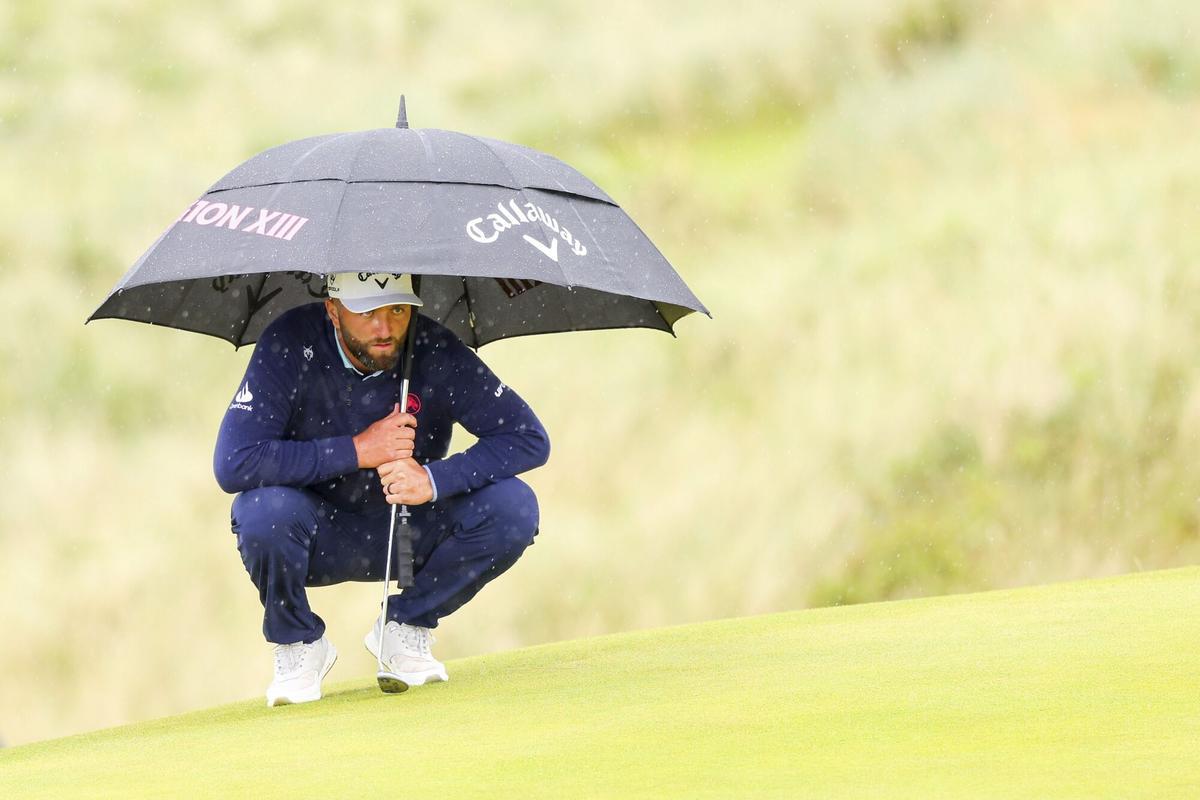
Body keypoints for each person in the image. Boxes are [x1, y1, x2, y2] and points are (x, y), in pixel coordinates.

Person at [213, 271, 550, 706]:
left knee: (514, 506)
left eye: (397, 309)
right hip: (314, 533)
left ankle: (406, 624)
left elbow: (527, 438)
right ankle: (298, 643)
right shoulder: (291, 340)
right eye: (367, 312)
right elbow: (235, 462)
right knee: (260, 512)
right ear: (334, 311)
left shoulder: (433, 347)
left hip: (407, 530)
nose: (385, 328)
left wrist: (433, 481)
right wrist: (358, 450)